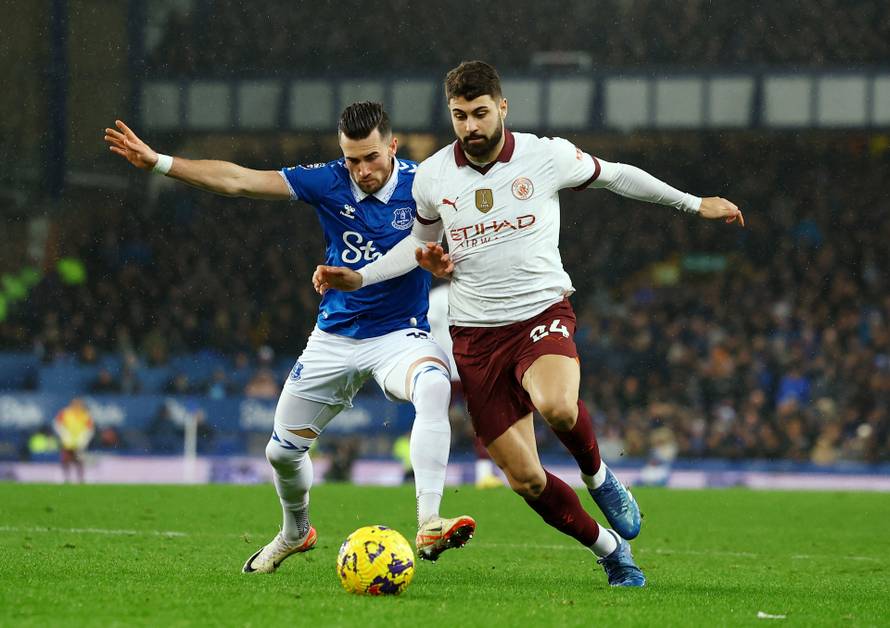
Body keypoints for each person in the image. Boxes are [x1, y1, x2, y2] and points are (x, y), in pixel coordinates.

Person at [314, 61, 745, 588]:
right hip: (474, 337)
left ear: (502, 107)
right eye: (459, 116)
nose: (470, 126)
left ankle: (599, 477)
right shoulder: (431, 177)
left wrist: (694, 203)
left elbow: (616, 175)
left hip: (540, 314)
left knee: (558, 406)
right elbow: (419, 245)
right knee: (525, 478)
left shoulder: (546, 155)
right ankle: (610, 551)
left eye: (479, 113)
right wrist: (360, 277)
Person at [104, 102, 474, 572]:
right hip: (335, 335)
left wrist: (448, 264)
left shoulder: (423, 185)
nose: (361, 170)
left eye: (372, 158)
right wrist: (160, 162)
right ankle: (296, 531)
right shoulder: (328, 180)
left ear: (393, 147)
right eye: (352, 159)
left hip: (400, 335)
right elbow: (240, 180)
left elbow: (464, 235)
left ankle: (428, 523)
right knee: (281, 451)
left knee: (435, 384)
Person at [53, 398, 95, 483]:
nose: (77, 406)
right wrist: (64, 434)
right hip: (67, 441)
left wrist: (84, 439)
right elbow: (57, 424)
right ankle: (66, 478)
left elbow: (90, 429)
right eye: (75, 404)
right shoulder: (65, 413)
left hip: (79, 442)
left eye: (79, 404)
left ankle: (81, 479)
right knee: (65, 460)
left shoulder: (85, 415)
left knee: (79, 461)